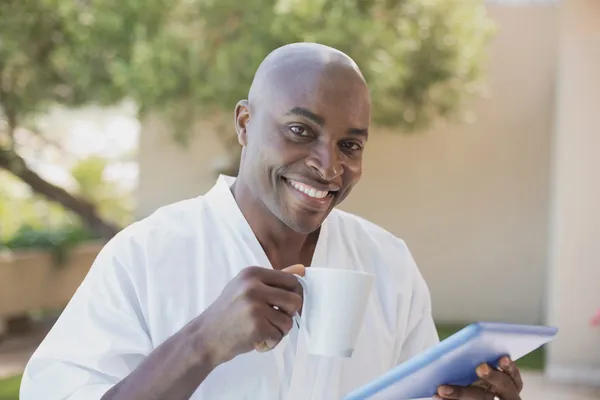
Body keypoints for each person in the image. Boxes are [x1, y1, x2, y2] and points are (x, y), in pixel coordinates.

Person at [20, 42, 524, 400]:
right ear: (244, 124)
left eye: (351, 145)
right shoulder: (144, 257)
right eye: (300, 130)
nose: (329, 167)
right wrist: (201, 344)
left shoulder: (388, 263)